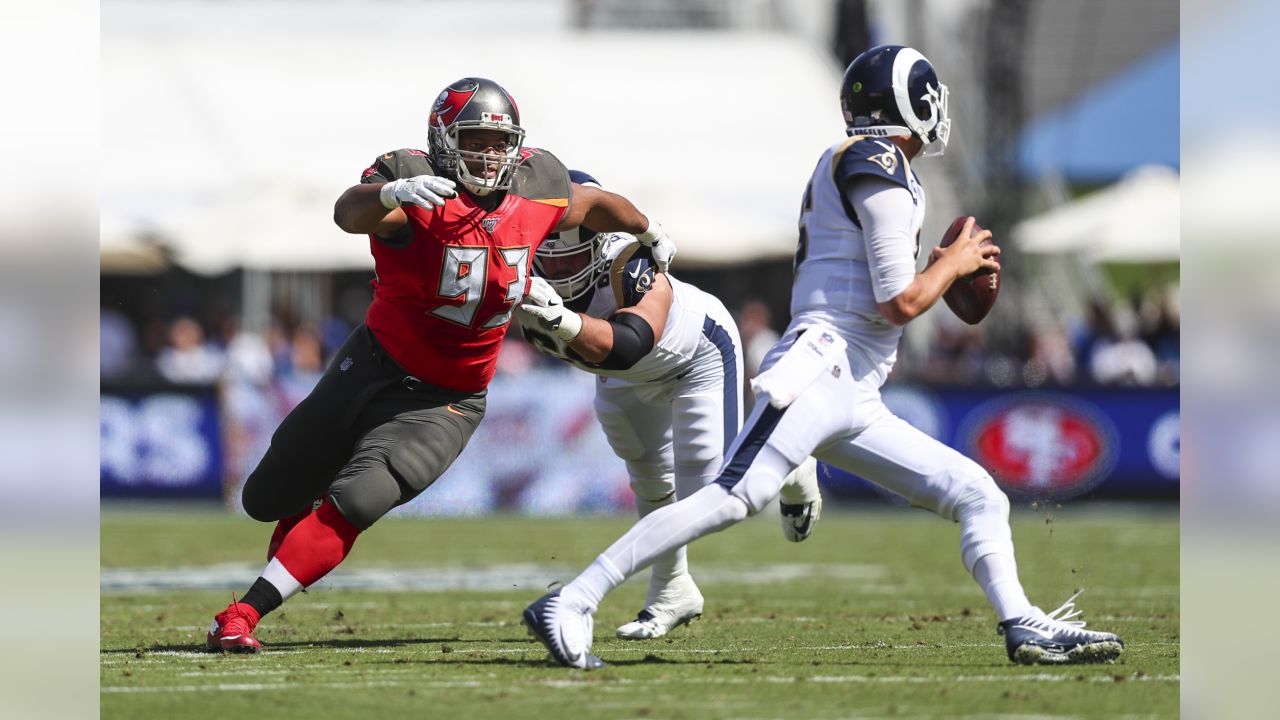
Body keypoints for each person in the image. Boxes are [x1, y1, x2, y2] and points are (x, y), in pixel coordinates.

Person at [523, 46, 1124, 669]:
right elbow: (898, 302)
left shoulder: (870, 161)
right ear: (916, 103)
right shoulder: (877, 160)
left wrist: (945, 273)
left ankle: (1022, 622)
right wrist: (953, 265)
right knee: (732, 497)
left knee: (977, 493)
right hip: (824, 364)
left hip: (854, 387)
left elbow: (883, 292)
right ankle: (574, 598)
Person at [203, 76, 677, 653]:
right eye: (475, 139)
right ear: (443, 139)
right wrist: (390, 194)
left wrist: (647, 229)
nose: (489, 154)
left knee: (359, 501)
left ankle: (242, 614)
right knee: (265, 499)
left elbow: (597, 203)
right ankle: (303, 521)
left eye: (501, 143)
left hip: (448, 399)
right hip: (372, 362)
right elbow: (345, 213)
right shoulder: (412, 184)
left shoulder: (538, 185)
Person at [515, 171, 822, 639]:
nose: (556, 271)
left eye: (569, 255)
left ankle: (790, 457)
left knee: (712, 494)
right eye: (547, 259)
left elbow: (630, 342)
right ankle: (671, 590)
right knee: (651, 484)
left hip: (692, 356)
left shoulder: (627, 262)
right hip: (619, 376)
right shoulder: (514, 268)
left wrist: (564, 321)